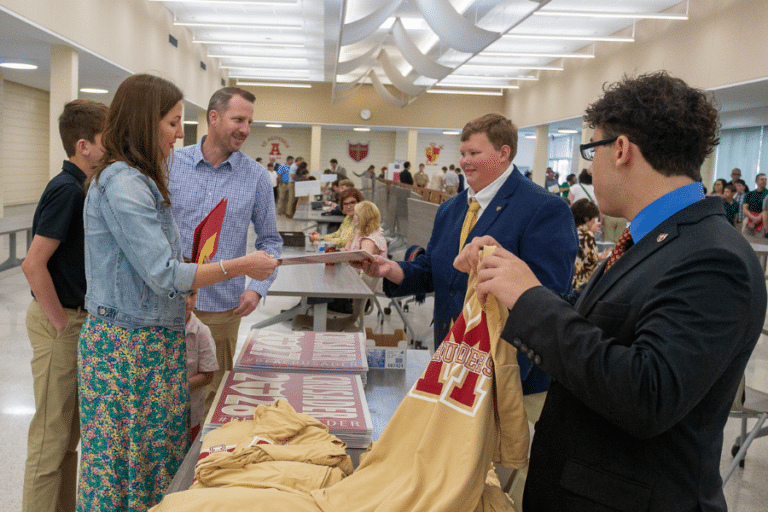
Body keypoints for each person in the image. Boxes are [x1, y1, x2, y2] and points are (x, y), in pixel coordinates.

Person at [458, 71, 765, 512]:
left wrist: (531, 299)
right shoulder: (651, 239)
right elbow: (599, 321)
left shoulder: (713, 258)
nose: (590, 166)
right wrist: (512, 282)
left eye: (591, 150)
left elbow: (646, 393)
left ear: (620, 149)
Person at [78, 74, 278, 509]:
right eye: (171, 122)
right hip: (127, 351)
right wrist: (241, 265)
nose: (178, 133)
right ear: (145, 122)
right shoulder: (124, 183)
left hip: (154, 341)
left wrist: (247, 284)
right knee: (124, 465)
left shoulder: (143, 178)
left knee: (155, 460)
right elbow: (162, 272)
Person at [355, 113, 578, 395]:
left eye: (474, 152)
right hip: (452, 358)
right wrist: (391, 269)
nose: (464, 161)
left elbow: (548, 298)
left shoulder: (544, 208)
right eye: (462, 153)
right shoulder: (452, 209)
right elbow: (435, 271)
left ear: (503, 153)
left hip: (508, 372)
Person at [169, 86, 283, 409]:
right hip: (168, 305)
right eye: (238, 119)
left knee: (212, 400)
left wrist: (258, 288)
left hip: (221, 308)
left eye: (249, 122)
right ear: (213, 118)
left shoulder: (257, 177)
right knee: (165, 397)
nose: (245, 130)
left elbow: (271, 241)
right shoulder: (172, 164)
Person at [21, 99, 107, 512]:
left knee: (69, 439)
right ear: (84, 145)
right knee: (48, 441)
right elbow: (33, 264)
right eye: (107, 139)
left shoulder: (84, 188)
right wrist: (59, 323)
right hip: (62, 322)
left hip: (78, 321)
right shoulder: (67, 190)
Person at [184, 288, 217, 443]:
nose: (186, 301)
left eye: (192, 294)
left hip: (190, 414)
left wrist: (176, 388)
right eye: (179, 295)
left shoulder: (201, 331)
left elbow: (208, 376)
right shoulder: (155, 331)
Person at [569, 199, 609, 291]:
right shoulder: (586, 235)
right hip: (581, 283)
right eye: (594, 218)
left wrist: (598, 257)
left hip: (568, 281)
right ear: (586, 218)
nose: (595, 222)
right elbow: (591, 265)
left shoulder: (570, 230)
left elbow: (579, 256)